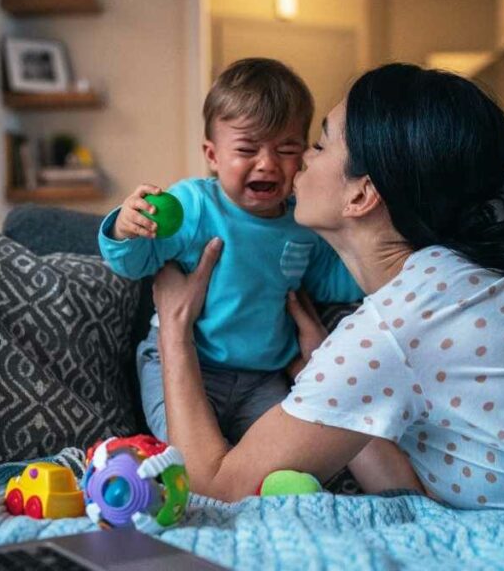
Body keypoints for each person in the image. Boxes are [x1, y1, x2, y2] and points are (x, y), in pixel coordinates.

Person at [153, 63, 504, 530]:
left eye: (321, 145)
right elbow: (410, 496)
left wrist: (175, 330)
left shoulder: (395, 328)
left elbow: (215, 488)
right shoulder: (453, 284)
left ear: (360, 195)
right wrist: (323, 377)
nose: (300, 157)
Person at [98, 58, 364, 445]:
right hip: (188, 366)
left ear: (304, 154)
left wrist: (386, 272)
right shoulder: (192, 206)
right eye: (247, 148)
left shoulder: (303, 220)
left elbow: (330, 280)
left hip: (263, 379)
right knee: (182, 451)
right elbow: (134, 263)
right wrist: (125, 229)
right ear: (212, 155)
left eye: (286, 149)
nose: (267, 163)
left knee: (282, 452)